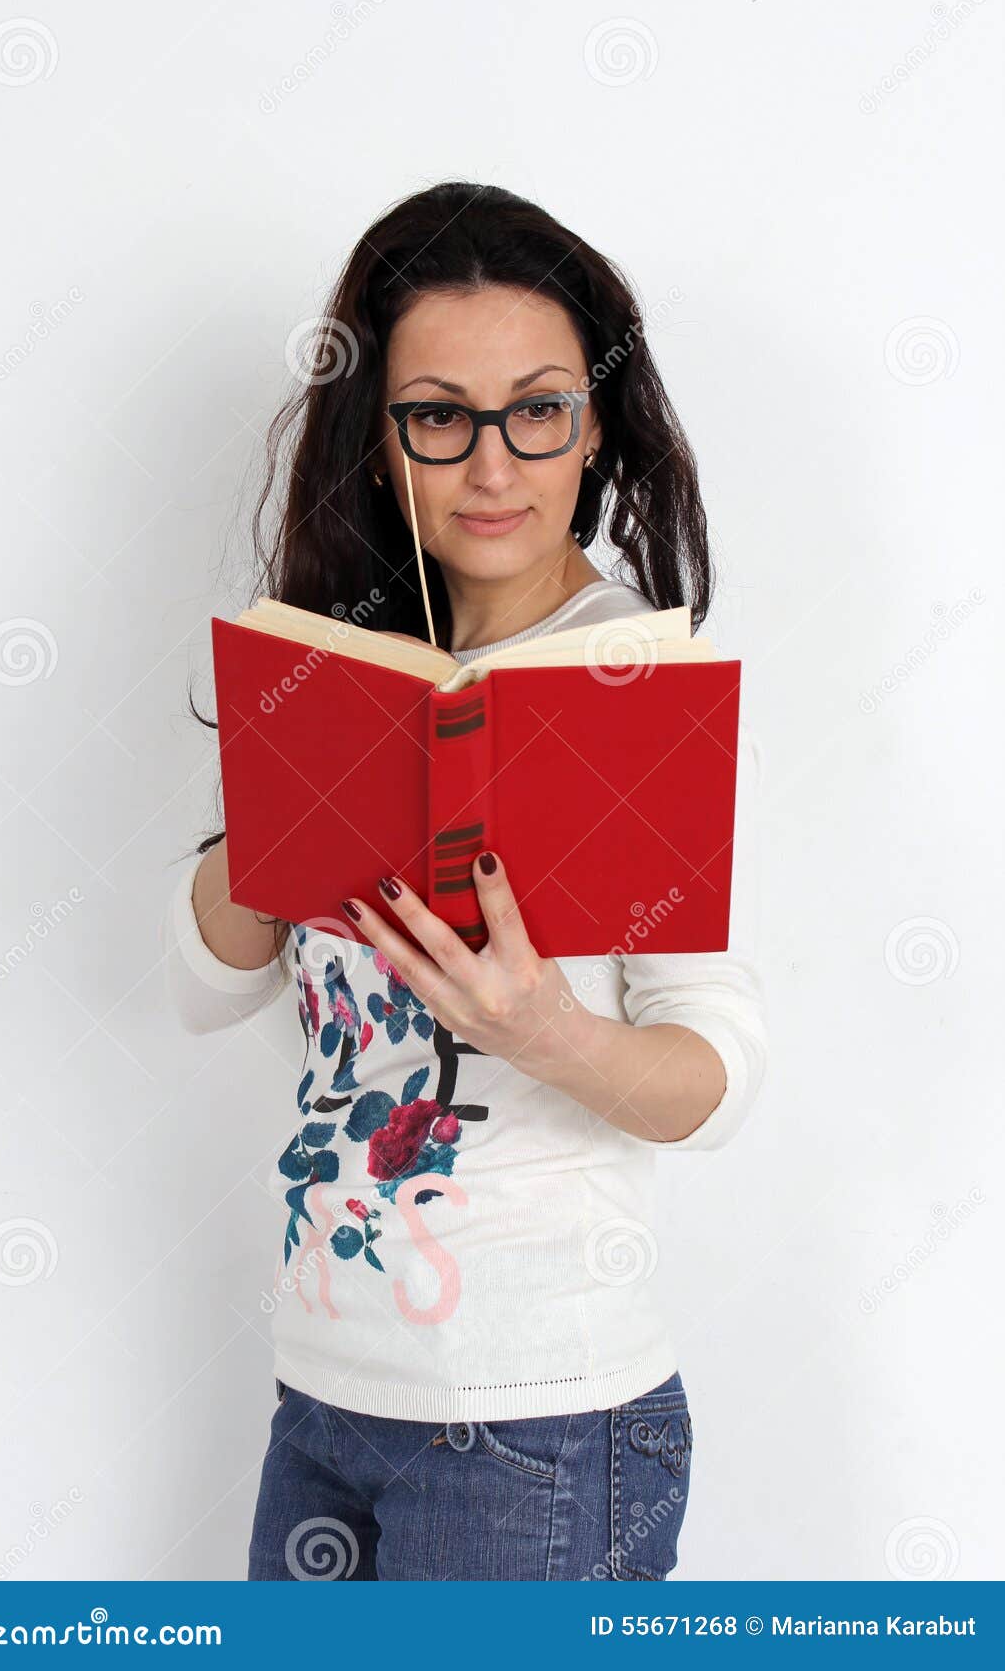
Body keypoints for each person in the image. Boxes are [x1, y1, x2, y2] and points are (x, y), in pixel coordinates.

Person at [162, 181, 768, 1581]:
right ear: (378, 436)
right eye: (439, 414)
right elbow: (202, 988)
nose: (492, 465)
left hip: (537, 1428)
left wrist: (541, 1031)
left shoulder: (635, 682)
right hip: (325, 1394)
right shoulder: (336, 655)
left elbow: (722, 1073)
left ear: (596, 418)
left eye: (537, 409)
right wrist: (278, 818)